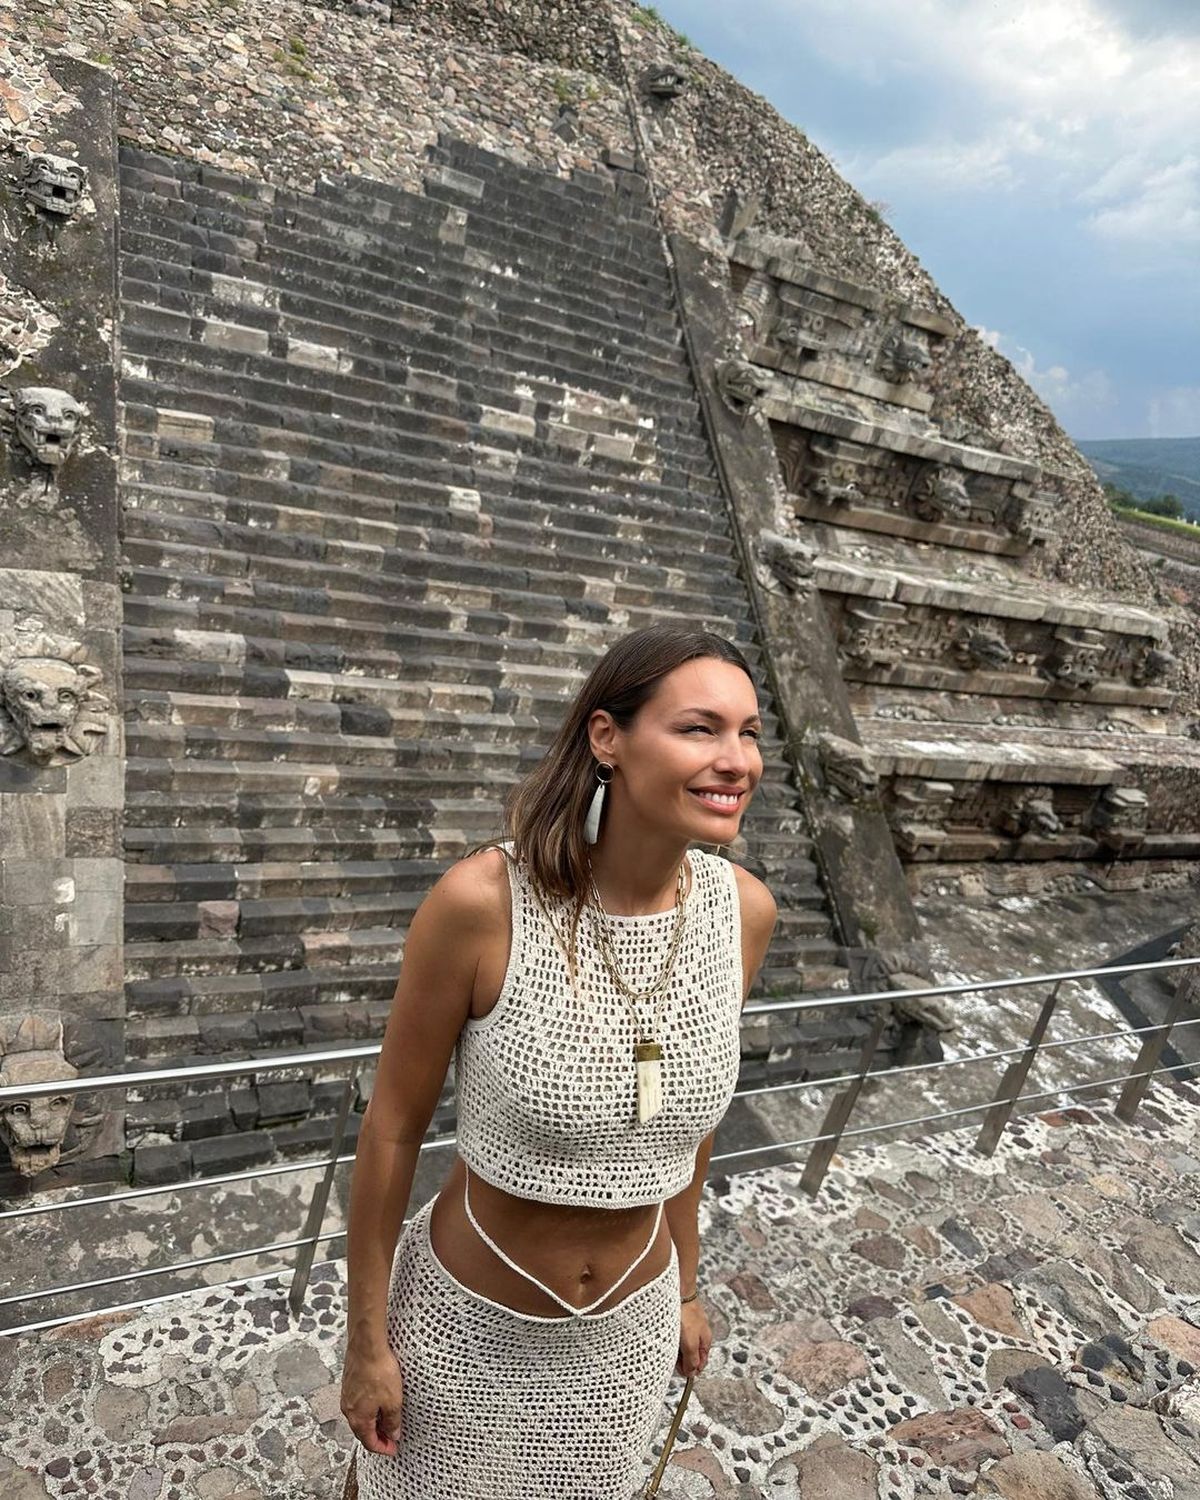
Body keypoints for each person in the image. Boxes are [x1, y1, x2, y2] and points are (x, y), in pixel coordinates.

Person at [339, 625, 778, 1500]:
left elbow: (687, 1141)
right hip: (465, 1331)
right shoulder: (484, 903)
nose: (737, 760)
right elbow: (391, 1128)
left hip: (629, 1335)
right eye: (700, 729)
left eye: (750, 732)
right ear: (606, 738)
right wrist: (366, 1341)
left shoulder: (744, 913)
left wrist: (687, 1290)